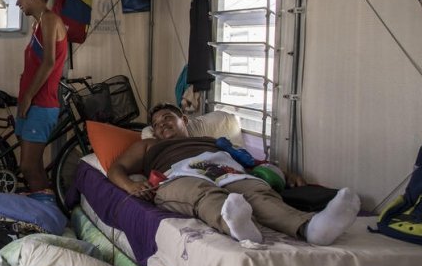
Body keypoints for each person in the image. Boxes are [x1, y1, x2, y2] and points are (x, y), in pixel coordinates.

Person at [106, 103, 361, 245]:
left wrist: (286, 174)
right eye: (157, 124)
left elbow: (251, 161)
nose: (162, 125)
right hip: (180, 176)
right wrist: (129, 186)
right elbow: (116, 168)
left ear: (184, 119)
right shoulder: (149, 146)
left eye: (168, 118)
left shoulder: (212, 140)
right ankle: (238, 226)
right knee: (202, 194)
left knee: (257, 192)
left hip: (226, 169)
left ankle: (311, 228)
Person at [14, 0, 68, 192]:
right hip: (33, 103)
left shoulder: (49, 19)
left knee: (29, 167)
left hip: (41, 103)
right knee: (31, 165)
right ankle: (40, 213)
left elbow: (48, 62)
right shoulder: (38, 24)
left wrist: (27, 97)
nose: (18, 3)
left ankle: (48, 214)